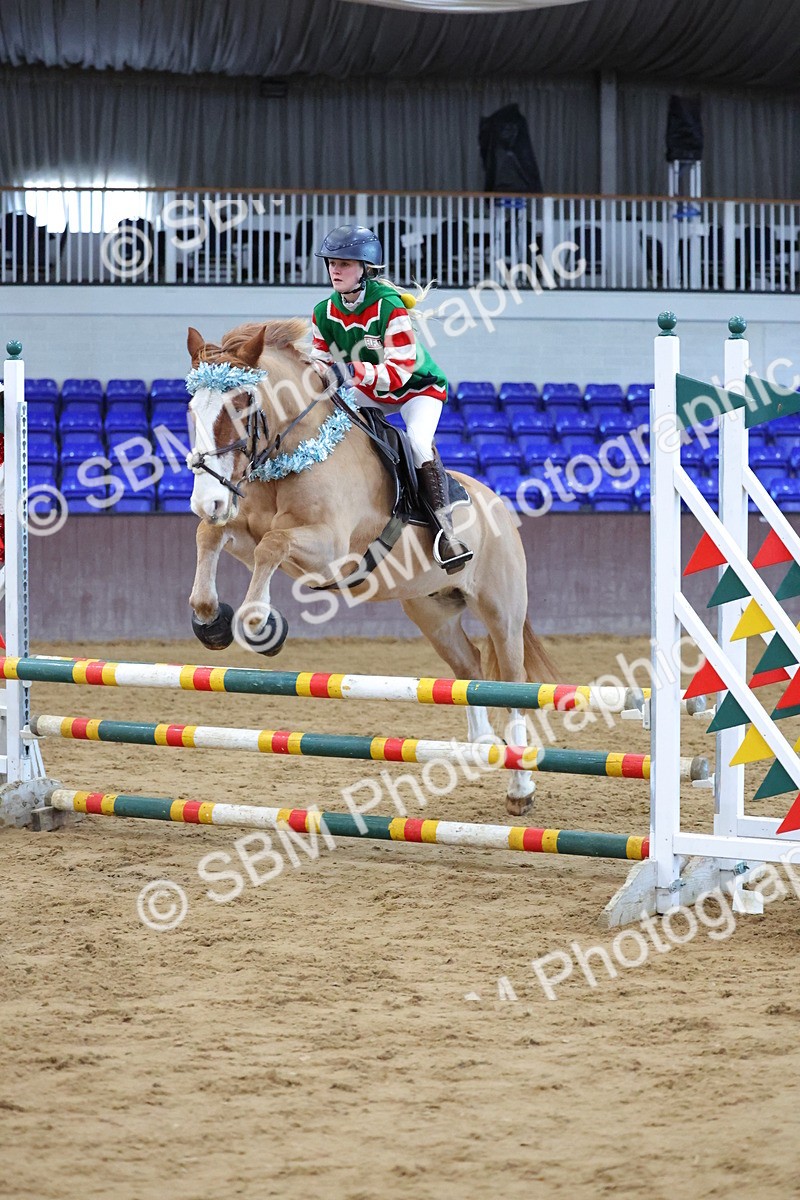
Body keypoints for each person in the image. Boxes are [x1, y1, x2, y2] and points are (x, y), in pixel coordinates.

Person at [310, 223, 472, 573]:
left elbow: (398, 372)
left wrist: (351, 371)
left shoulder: (389, 307)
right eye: (331, 263)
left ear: (365, 268)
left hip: (418, 389)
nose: (335, 270)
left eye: (345, 263)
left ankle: (446, 532)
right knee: (335, 424)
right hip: (371, 390)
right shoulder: (323, 312)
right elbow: (320, 359)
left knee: (417, 442)